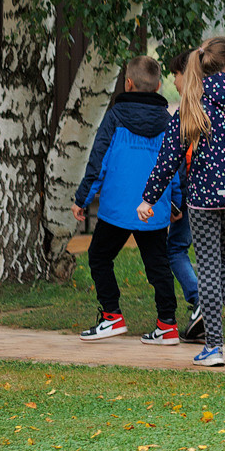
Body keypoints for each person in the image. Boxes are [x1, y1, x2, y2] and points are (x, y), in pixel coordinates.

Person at [138, 38, 225, 368]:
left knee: (210, 268)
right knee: (222, 257)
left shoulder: (192, 103)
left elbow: (168, 157)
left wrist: (149, 198)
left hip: (203, 198)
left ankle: (213, 347)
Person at [72, 57, 185, 344]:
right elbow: (174, 167)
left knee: (99, 257)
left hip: (117, 209)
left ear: (128, 83)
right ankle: (168, 324)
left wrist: (82, 198)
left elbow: (98, 162)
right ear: (159, 86)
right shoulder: (169, 122)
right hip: (154, 209)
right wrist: (176, 203)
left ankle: (112, 316)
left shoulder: (114, 118)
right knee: (158, 265)